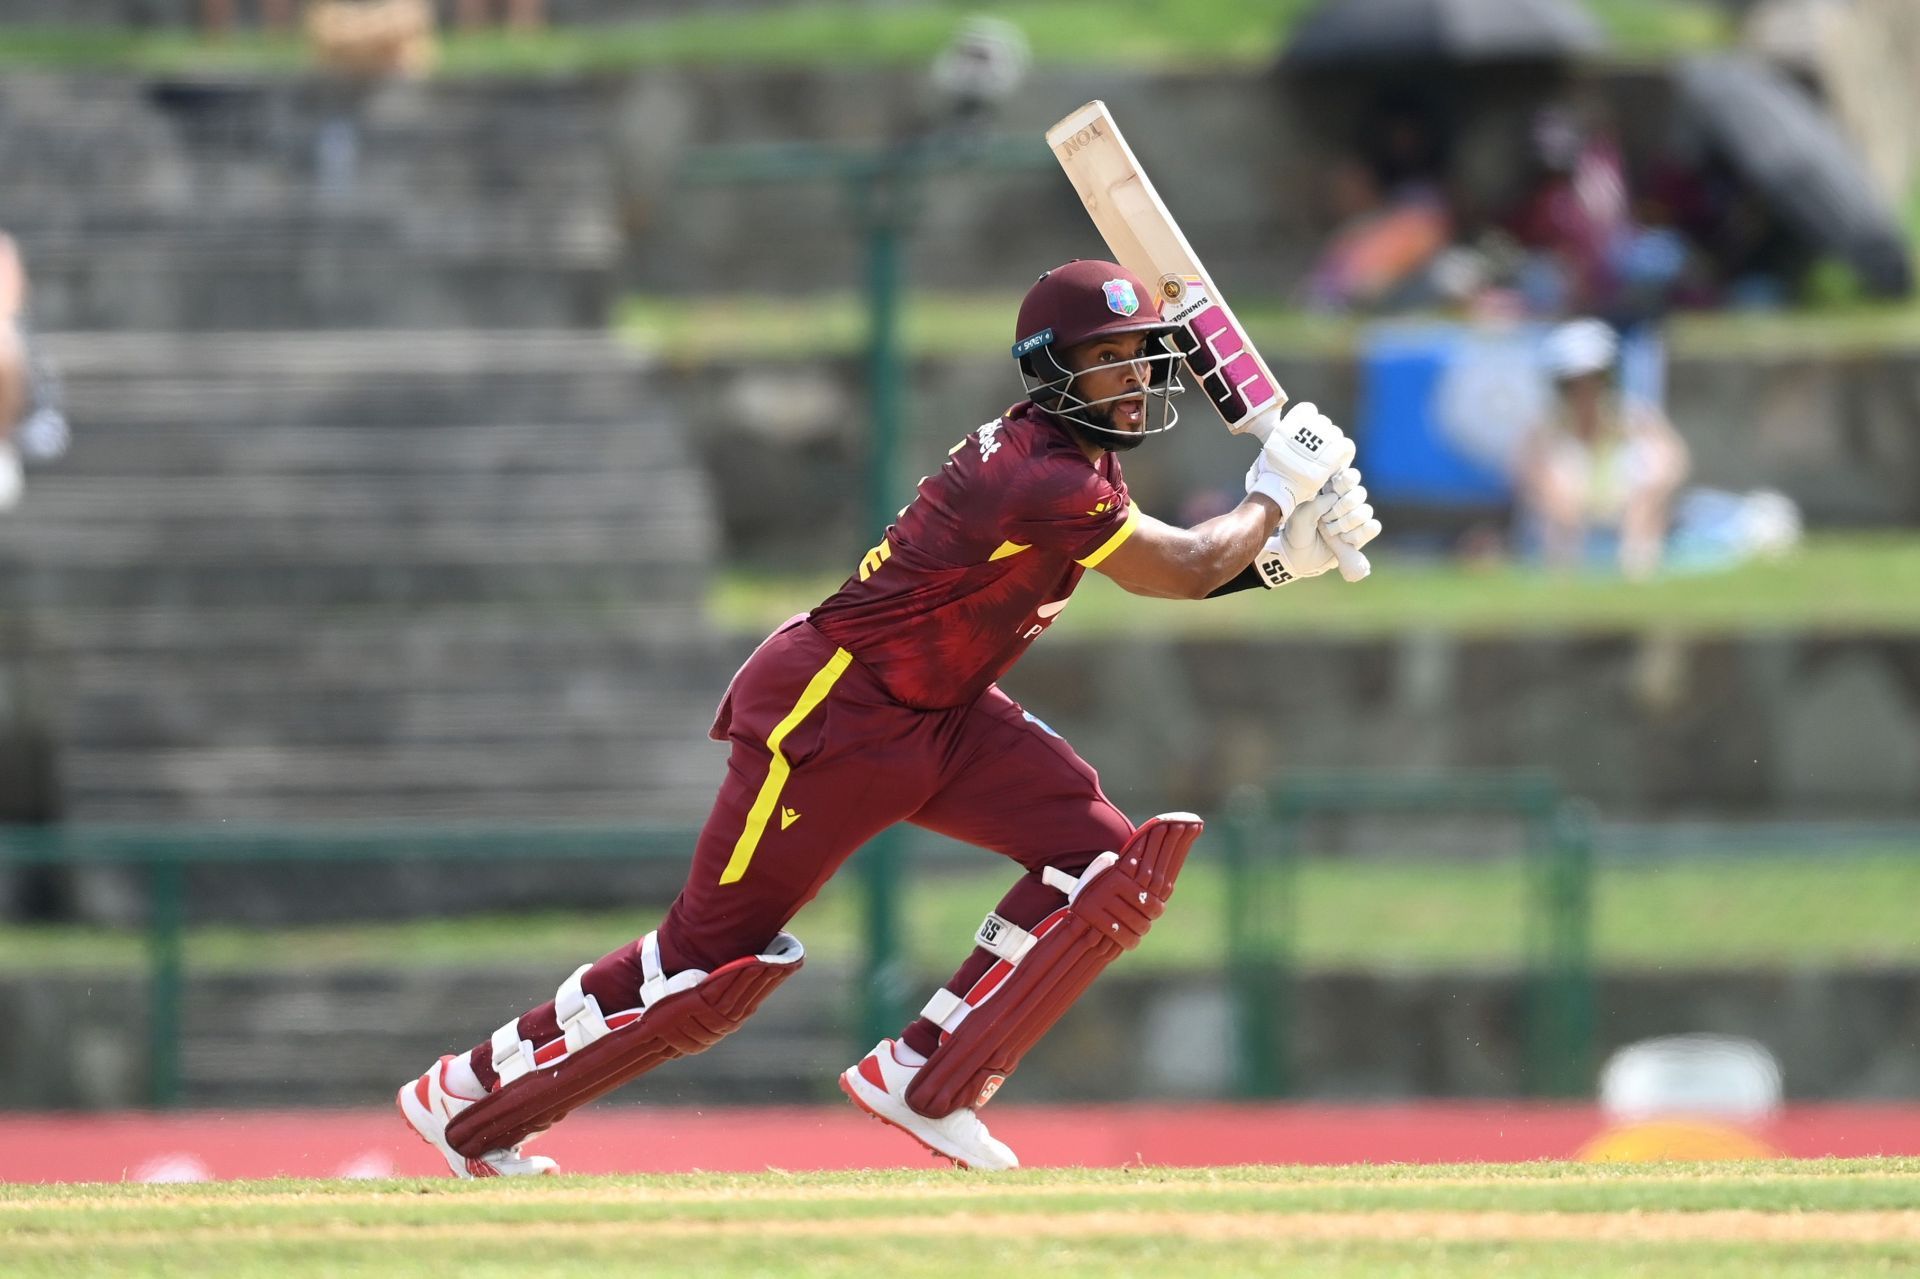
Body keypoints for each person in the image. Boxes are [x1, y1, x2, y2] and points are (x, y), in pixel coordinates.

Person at [396, 259, 1382, 1177]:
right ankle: (472, 1095)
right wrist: (1274, 492)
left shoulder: (1078, 463)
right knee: (703, 965)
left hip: (945, 715)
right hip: (835, 716)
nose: (1129, 379)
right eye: (1105, 360)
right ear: (1051, 374)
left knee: (1104, 865)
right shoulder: (1039, 476)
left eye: (1140, 358)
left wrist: (1288, 550)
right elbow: (1185, 567)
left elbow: (1179, 566)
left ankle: (925, 1074)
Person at [1514, 318, 1689, 579]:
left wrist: (1645, 500)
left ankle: (1638, 568)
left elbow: (1672, 464)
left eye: (1596, 379)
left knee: (1651, 465)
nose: (1586, 391)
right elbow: (1549, 497)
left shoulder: (1638, 420)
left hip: (1629, 530)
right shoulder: (1543, 433)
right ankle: (1566, 576)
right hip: (1569, 540)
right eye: (1574, 383)